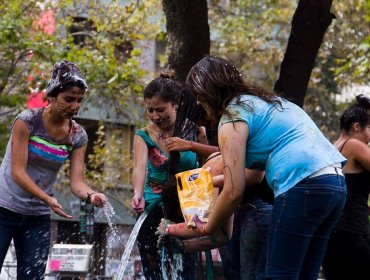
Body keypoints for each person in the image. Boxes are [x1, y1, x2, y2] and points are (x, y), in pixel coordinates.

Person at [158, 56, 347, 280]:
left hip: (302, 186)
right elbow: (254, 176)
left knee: (279, 274)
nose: (202, 107)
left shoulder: (231, 118)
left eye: (200, 100)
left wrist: (204, 226)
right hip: (334, 185)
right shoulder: (265, 103)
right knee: (306, 274)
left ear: (207, 94)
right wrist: (209, 184)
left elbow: (233, 191)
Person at [0, 60, 107, 279]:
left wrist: (92, 195)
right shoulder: (27, 121)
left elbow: (76, 183)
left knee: (33, 275)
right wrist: (47, 199)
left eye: (79, 100)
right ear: (51, 96)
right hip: (4, 209)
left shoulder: (78, 135)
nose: (74, 106)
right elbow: (17, 172)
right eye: (69, 99)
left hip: (36, 217)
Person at [131, 72, 218, 280]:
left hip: (187, 211)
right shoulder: (143, 135)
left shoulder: (194, 130)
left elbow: (216, 157)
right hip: (153, 210)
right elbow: (139, 168)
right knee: (154, 274)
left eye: (160, 109)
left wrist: (189, 144)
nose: (154, 116)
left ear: (175, 105)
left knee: (186, 271)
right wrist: (137, 194)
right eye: (150, 110)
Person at [322, 94, 370, 279]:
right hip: (352, 233)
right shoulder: (354, 145)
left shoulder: (334, 146)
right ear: (357, 127)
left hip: (334, 231)